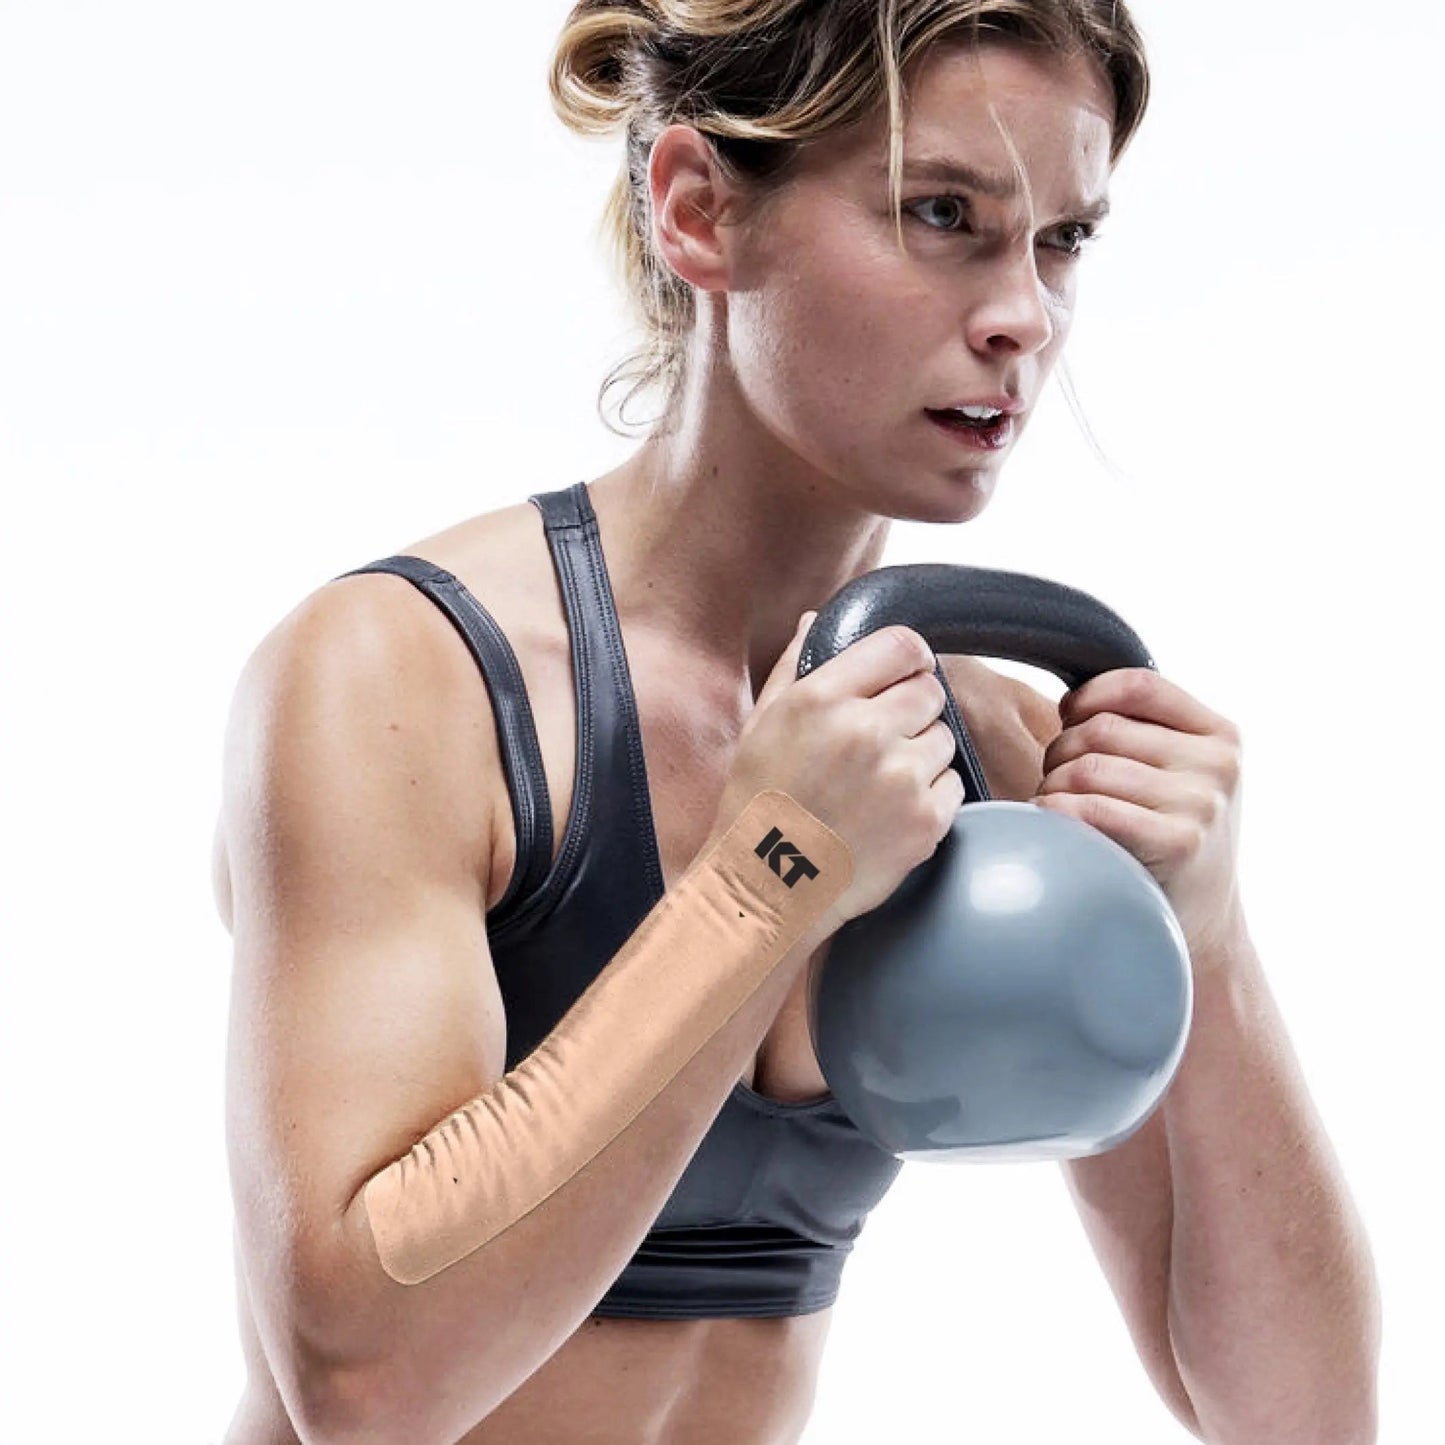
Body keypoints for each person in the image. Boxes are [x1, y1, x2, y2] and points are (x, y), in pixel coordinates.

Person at [213, 3, 1381, 1442]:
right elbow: (366, 1384)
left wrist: (1207, 938)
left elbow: (1294, 1419)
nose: (1025, 314)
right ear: (700, 212)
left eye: (1062, 238)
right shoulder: (403, 682)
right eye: (943, 212)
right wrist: (761, 879)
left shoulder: (988, 750)